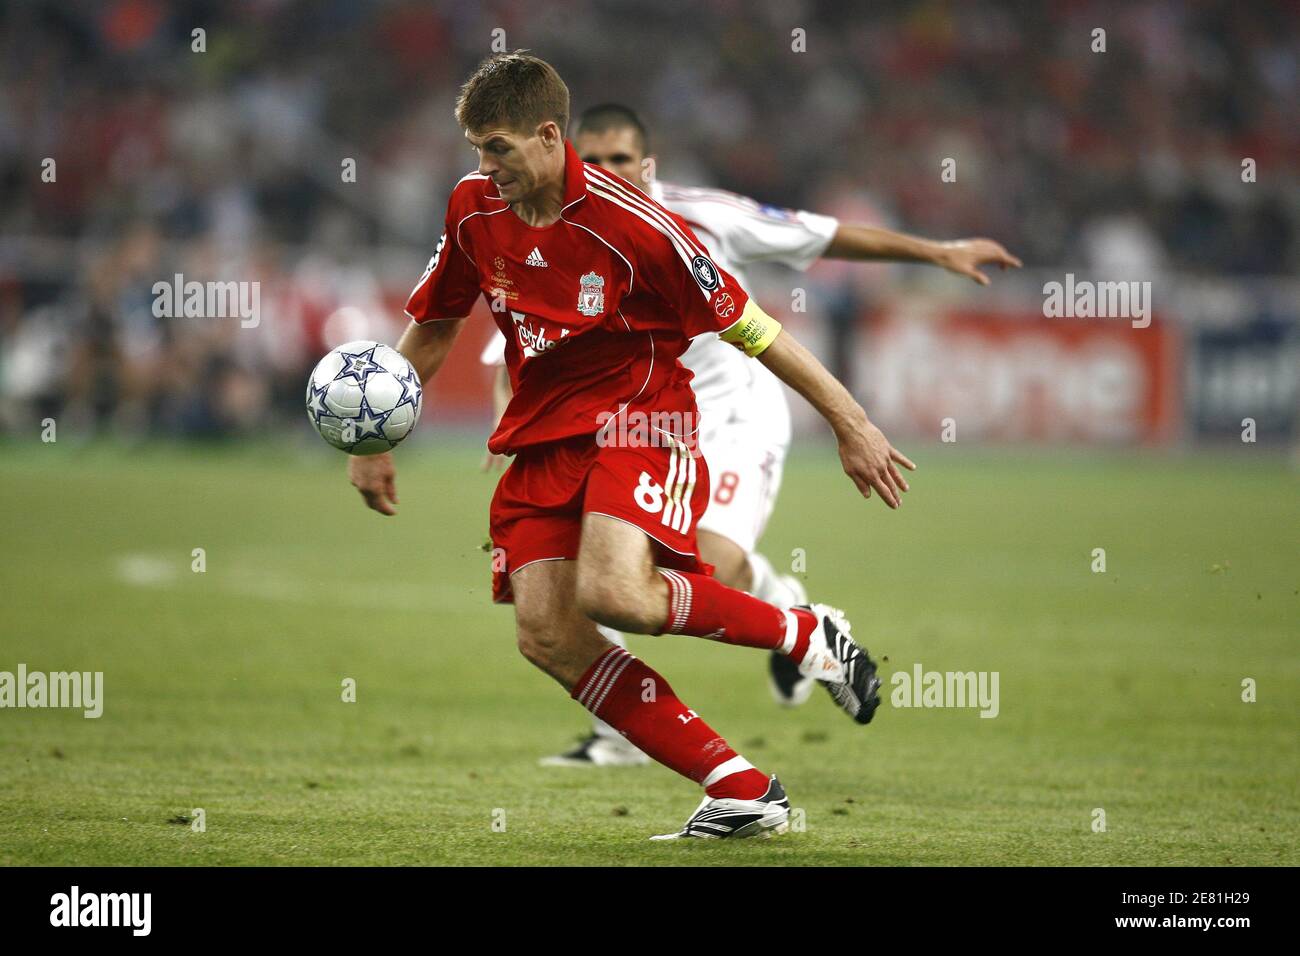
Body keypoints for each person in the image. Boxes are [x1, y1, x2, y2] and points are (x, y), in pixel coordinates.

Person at [347, 52, 914, 840]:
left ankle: (806, 633)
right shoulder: (473, 209)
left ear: (548, 136)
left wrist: (851, 422)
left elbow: (757, 331)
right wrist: (376, 437)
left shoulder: (639, 228)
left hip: (639, 422)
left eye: (499, 148)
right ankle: (742, 788)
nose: (485, 167)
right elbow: (438, 323)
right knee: (547, 634)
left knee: (616, 595)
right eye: (477, 149)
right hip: (543, 442)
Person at [478, 104, 1020, 767]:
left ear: (647, 167)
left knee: (705, 572)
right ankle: (630, 725)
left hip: (731, 415)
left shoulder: (702, 218)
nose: (604, 171)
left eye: (619, 159)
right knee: (604, 589)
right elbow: (517, 347)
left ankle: (787, 613)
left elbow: (825, 237)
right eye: (591, 160)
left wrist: (936, 251)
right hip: (628, 426)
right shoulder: (549, 226)